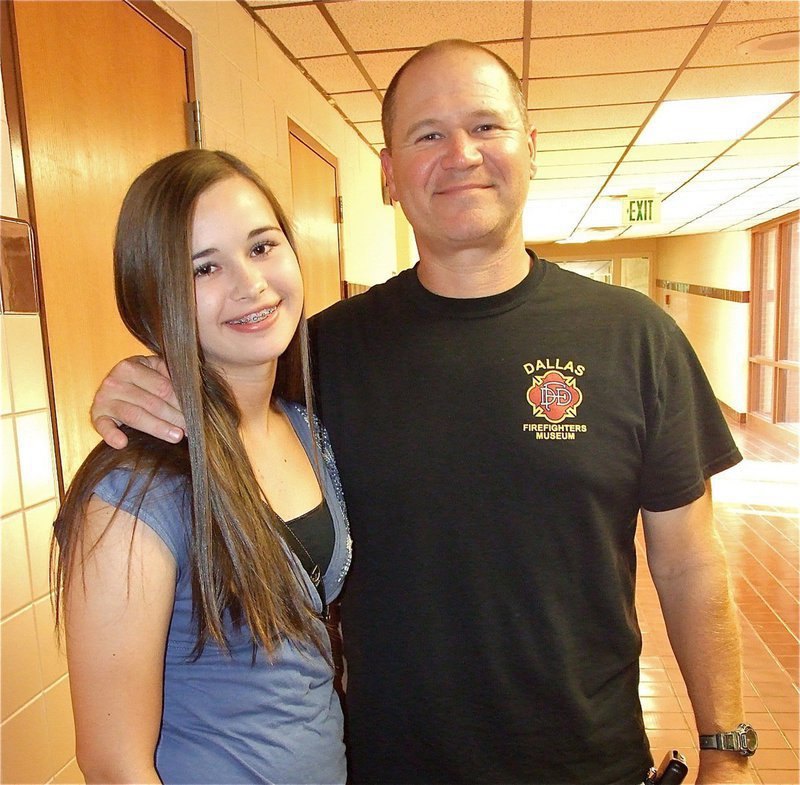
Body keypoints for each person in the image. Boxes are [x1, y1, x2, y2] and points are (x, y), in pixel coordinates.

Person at [89, 41, 754, 785]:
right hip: (386, 767)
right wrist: (138, 378)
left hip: (589, 764)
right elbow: (219, 403)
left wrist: (725, 747)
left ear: (530, 149)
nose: (462, 153)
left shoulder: (635, 337)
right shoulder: (319, 354)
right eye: (428, 134)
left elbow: (690, 559)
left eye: (487, 127)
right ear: (388, 174)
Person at [52, 149, 351, 784]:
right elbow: (112, 766)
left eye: (263, 247)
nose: (249, 283)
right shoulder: (133, 492)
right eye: (204, 267)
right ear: (151, 299)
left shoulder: (304, 427)